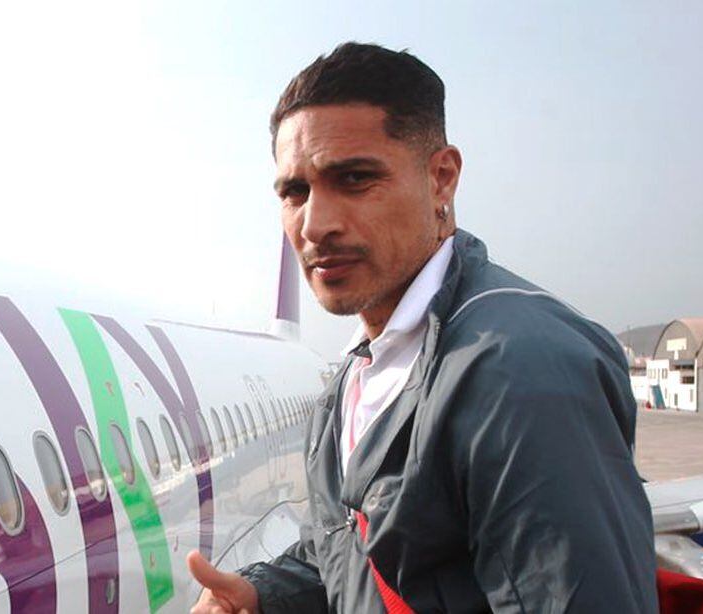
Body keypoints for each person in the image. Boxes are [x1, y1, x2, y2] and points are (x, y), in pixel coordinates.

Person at [187, 42, 658, 613]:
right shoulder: (359, 372)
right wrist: (265, 595)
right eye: (295, 192)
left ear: (441, 179)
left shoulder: (519, 370)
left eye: (354, 178)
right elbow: (355, 553)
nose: (314, 225)